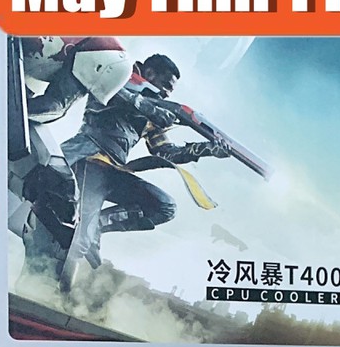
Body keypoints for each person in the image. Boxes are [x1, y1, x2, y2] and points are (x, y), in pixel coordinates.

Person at [61, 53, 231, 280]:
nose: (167, 93)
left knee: (164, 207)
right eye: (165, 85)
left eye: (170, 90)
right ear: (149, 73)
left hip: (113, 173)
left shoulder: (152, 113)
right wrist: (149, 107)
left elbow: (165, 152)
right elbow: (114, 93)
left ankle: (97, 226)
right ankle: (55, 288)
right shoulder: (118, 79)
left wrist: (208, 149)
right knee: (79, 241)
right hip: (87, 162)